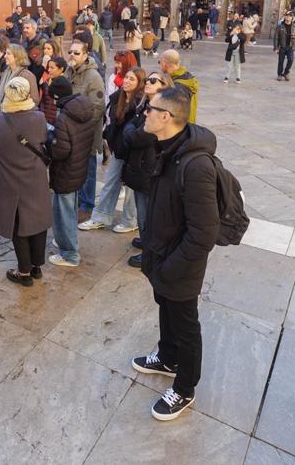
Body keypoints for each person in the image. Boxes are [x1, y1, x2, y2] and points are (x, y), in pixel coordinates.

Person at [132, 86, 236, 421]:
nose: (144, 113)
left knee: (185, 323)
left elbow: (203, 233)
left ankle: (185, 387)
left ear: (166, 117)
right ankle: (167, 356)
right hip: (162, 254)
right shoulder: (166, 147)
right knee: (166, 309)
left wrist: (171, 269)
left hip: (180, 263)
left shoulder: (196, 166)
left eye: (150, 109)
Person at [0, 77, 53, 286]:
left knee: (18, 223)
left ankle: (24, 272)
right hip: (35, 177)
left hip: (9, 179)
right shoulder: (39, 118)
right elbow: (44, 141)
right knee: (36, 219)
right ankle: (36, 267)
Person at [78, 66, 142, 235]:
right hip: (119, 150)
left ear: (139, 83)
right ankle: (100, 218)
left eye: (132, 79)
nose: (127, 81)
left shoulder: (140, 104)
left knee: (131, 189)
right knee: (110, 182)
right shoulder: (117, 99)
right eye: (126, 78)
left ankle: (130, 220)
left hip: (134, 152)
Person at [47, 76, 100, 267]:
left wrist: (50, 139)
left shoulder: (64, 118)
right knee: (70, 210)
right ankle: (66, 241)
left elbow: (60, 151)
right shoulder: (83, 108)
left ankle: (70, 254)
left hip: (65, 172)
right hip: (78, 169)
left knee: (64, 212)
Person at [121, 71, 173, 268]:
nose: (148, 83)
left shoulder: (161, 111)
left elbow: (137, 137)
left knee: (146, 214)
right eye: (147, 80)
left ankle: (149, 254)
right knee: (142, 209)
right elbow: (132, 127)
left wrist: (131, 129)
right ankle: (146, 241)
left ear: (164, 85)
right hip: (141, 166)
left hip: (149, 168)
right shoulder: (145, 105)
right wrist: (131, 128)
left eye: (153, 80)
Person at [66, 39, 106, 222]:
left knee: (89, 170)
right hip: (69, 130)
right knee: (74, 168)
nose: (72, 55)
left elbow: (97, 108)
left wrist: (81, 127)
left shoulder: (93, 77)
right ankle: (77, 199)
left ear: (86, 55)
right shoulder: (69, 72)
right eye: (70, 52)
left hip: (87, 133)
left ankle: (87, 205)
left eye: (76, 53)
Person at [158, 50, 199, 122]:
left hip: (181, 127)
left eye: (159, 62)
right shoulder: (187, 77)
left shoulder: (178, 87)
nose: (159, 65)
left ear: (164, 63)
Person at [0, 43, 40, 109]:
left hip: (17, 115)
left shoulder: (27, 75)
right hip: (3, 111)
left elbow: (34, 100)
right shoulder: (5, 72)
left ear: (17, 57)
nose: (5, 56)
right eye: (5, 53)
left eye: (8, 54)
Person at [273, 12, 295, 82]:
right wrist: (276, 48)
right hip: (282, 46)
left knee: (291, 60)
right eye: (287, 16)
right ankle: (279, 74)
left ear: (292, 18)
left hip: (290, 46)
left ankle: (286, 73)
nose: (288, 17)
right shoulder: (280, 26)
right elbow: (276, 37)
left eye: (290, 16)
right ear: (285, 17)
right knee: (281, 61)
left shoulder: (294, 25)